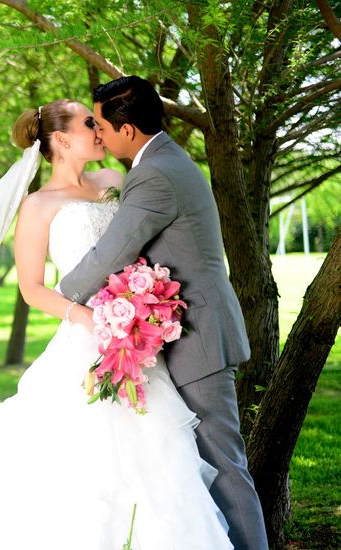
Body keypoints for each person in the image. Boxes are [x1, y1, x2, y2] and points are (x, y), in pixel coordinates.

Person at [0, 95, 236, 548]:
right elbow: (32, 289)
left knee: (163, 459)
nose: (99, 130)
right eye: (89, 123)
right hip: (88, 338)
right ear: (62, 139)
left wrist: (140, 300)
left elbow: (139, 241)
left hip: (137, 336)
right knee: (80, 465)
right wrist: (90, 317)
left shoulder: (112, 181)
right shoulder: (38, 206)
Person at [59, 76, 268, 550]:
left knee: (224, 467)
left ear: (127, 130)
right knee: (198, 470)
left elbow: (113, 252)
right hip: (184, 334)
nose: (99, 136)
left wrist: (63, 296)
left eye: (103, 127)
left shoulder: (154, 174)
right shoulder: (165, 160)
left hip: (200, 339)